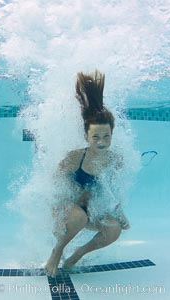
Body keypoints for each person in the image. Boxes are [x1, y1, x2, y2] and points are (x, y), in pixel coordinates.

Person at [45, 70, 130, 277]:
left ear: (112, 135)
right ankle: (57, 251)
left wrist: (119, 213)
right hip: (66, 210)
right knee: (79, 218)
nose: (101, 142)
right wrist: (76, 194)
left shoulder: (114, 160)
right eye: (96, 137)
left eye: (106, 136)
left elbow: (112, 190)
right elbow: (52, 186)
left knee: (114, 229)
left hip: (88, 209)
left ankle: (77, 255)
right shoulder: (74, 158)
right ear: (86, 136)